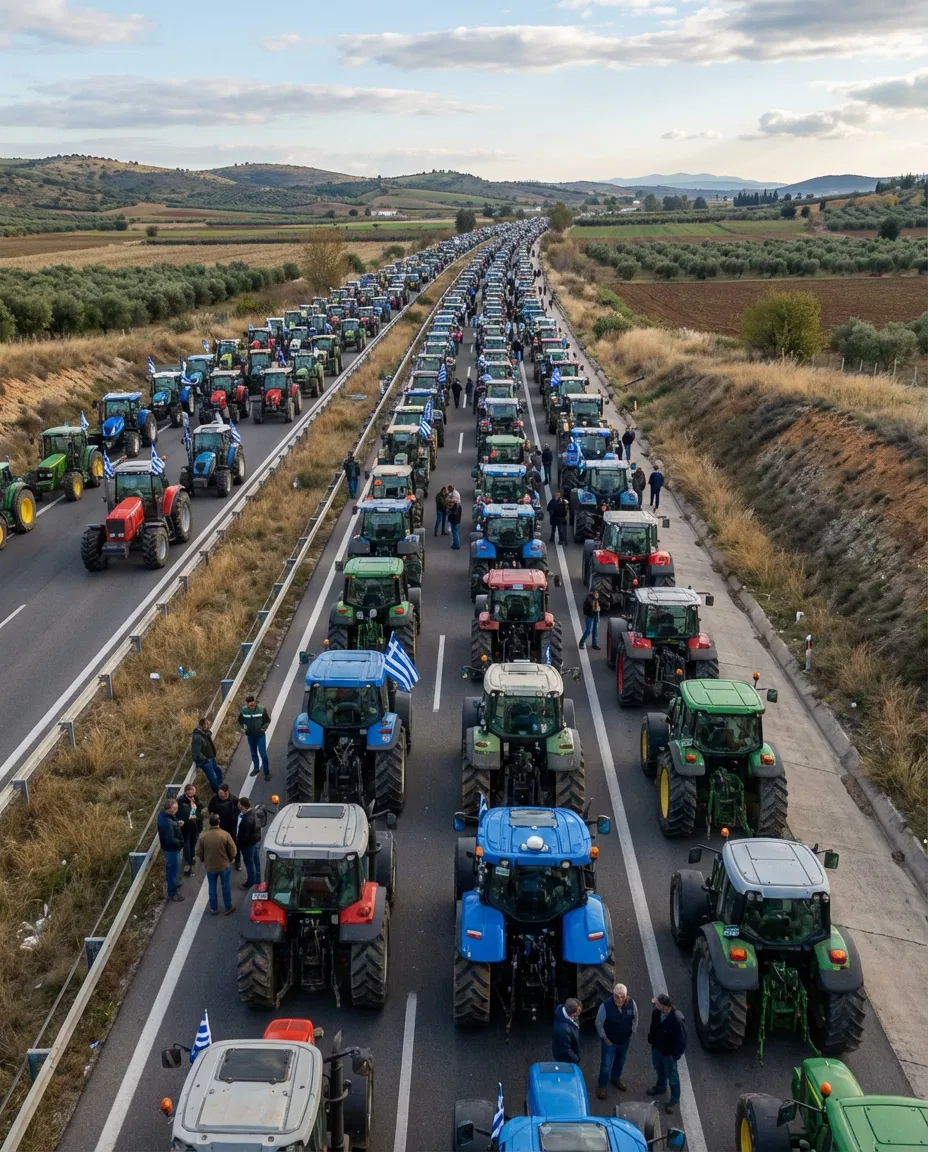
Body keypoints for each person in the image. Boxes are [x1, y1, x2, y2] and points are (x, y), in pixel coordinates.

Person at [595, 983, 639, 1099]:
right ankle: (602, 1086)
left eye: (622, 996)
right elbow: (599, 1024)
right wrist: (604, 1038)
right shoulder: (605, 1006)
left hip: (624, 1041)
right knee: (606, 1065)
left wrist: (632, 1031)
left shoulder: (631, 1003)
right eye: (616, 996)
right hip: (610, 1042)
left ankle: (615, 1078)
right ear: (613, 995)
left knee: (620, 1062)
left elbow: (635, 1017)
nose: (619, 999)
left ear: (626, 995)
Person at [647, 993, 687, 1115]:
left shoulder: (676, 1020)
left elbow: (682, 1040)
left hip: (668, 1053)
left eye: (657, 1003)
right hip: (657, 1048)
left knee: (672, 1076)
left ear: (665, 1006)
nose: (655, 1004)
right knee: (658, 1068)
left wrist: (675, 1054)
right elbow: (653, 1027)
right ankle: (661, 1086)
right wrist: (651, 1039)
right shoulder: (656, 1012)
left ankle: (674, 1100)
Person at [197, 813, 237, 915]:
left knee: (212, 886)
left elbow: (199, 852)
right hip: (224, 865)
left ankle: (214, 908)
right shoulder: (225, 834)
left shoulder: (203, 836)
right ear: (219, 822)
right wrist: (229, 859)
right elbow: (233, 851)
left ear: (209, 823)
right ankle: (228, 907)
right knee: (225, 886)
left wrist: (203, 860)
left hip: (210, 866)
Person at [157, 798, 185, 903]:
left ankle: (172, 885)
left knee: (170, 869)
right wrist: (180, 843)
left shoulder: (163, 816)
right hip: (172, 849)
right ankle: (172, 893)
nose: (177, 810)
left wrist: (176, 823)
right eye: (175, 808)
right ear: (170, 809)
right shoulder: (167, 823)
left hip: (167, 848)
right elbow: (171, 839)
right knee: (173, 870)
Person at [209, 783, 242, 871]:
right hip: (221, 825)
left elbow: (239, 810)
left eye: (222, 794)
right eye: (219, 793)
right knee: (222, 843)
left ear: (227, 793)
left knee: (235, 843)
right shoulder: (214, 799)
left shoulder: (234, 800)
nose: (220, 795)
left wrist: (235, 817)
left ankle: (237, 860)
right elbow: (210, 809)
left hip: (232, 826)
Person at [238, 694, 270, 780]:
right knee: (253, 752)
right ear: (247, 704)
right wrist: (242, 728)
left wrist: (264, 728)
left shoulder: (261, 709)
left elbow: (267, 720)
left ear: (255, 702)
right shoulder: (243, 711)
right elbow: (240, 721)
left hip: (260, 735)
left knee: (263, 754)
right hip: (250, 736)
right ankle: (256, 768)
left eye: (253, 704)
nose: (252, 707)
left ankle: (266, 773)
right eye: (250, 705)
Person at [176, 782, 203, 877]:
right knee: (187, 845)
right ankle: (188, 863)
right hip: (187, 828)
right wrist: (193, 808)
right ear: (186, 792)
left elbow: (199, 810)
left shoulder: (195, 798)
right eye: (191, 791)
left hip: (195, 827)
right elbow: (190, 816)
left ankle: (190, 857)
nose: (193, 793)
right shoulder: (182, 803)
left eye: (194, 792)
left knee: (193, 843)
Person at [191, 716, 223, 794]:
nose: (208, 725)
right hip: (205, 761)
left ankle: (220, 787)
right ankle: (217, 792)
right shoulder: (197, 737)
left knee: (218, 771)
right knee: (213, 778)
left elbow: (209, 733)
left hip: (211, 757)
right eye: (207, 724)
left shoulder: (204, 733)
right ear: (203, 726)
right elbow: (196, 753)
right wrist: (205, 760)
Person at [237, 796, 262, 889]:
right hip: (254, 841)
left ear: (243, 807)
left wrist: (239, 844)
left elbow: (243, 836)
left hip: (247, 845)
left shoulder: (245, 820)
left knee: (249, 863)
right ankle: (258, 880)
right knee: (256, 861)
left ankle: (251, 882)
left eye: (239, 805)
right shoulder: (254, 813)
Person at [552, 998, 583, 1064]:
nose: (579, 1013)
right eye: (578, 1012)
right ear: (572, 1014)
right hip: (565, 1059)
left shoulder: (561, 1009)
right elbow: (566, 1050)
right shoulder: (564, 1029)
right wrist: (576, 1059)